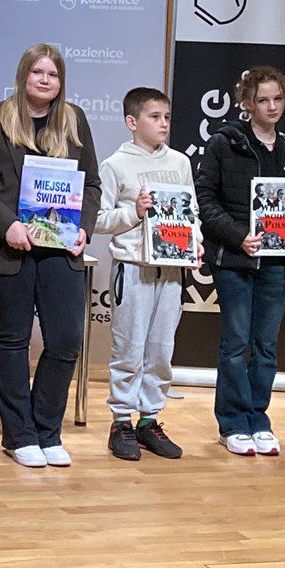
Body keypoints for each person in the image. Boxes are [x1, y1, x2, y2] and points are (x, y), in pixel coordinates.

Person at [0, 42, 99, 469]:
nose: (45, 80)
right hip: (10, 248)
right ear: (23, 74)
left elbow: (91, 184)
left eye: (53, 74)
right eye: (38, 72)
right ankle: (19, 435)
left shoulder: (74, 120)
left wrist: (83, 227)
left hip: (60, 249)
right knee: (14, 339)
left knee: (66, 339)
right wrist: (7, 224)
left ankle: (47, 430)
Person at [194, 65, 285, 457]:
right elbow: (204, 200)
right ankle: (232, 423)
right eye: (263, 100)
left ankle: (258, 419)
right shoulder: (224, 142)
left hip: (275, 263)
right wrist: (238, 236)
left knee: (266, 347)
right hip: (233, 261)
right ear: (247, 102)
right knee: (235, 343)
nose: (272, 106)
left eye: (277, 99)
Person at [94, 87, 194, 463]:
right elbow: (98, 219)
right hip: (133, 269)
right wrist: (133, 213)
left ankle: (149, 420)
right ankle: (121, 421)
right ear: (132, 121)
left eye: (166, 117)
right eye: (154, 117)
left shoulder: (180, 163)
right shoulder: (115, 165)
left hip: (171, 270)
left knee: (161, 350)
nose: (163, 124)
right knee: (129, 349)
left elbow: (191, 213)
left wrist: (195, 244)